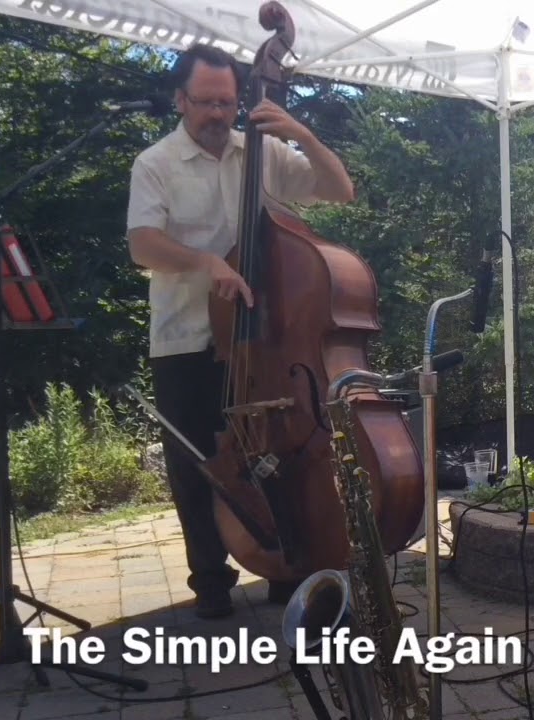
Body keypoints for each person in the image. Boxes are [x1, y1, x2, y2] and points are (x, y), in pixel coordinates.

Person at [125, 44, 356, 619]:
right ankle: (210, 581)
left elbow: (338, 190)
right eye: (205, 102)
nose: (218, 114)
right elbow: (142, 243)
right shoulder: (155, 163)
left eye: (226, 102)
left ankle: (283, 563)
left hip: (263, 340)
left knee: (272, 451)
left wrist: (303, 133)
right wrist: (208, 264)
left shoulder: (262, 150)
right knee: (199, 464)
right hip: (187, 337)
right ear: (181, 100)